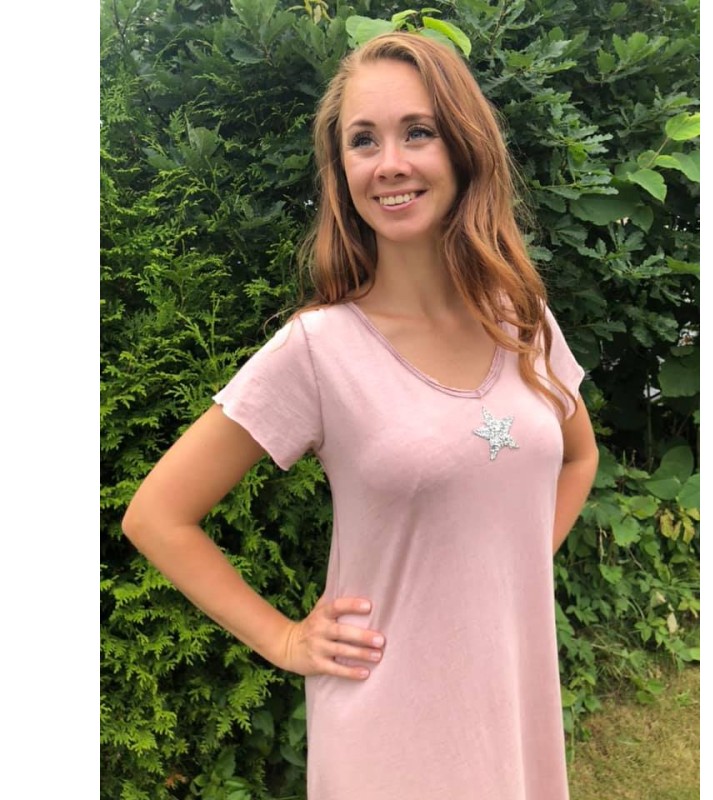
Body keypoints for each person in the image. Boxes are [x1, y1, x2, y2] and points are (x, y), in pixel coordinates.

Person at [122, 31, 599, 800]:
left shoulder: (523, 319)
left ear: (464, 147)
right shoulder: (318, 350)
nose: (390, 163)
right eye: (363, 140)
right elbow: (156, 516)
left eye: (419, 132)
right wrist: (283, 638)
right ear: (342, 171)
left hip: (513, 706)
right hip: (387, 731)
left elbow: (579, 457)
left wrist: (514, 568)